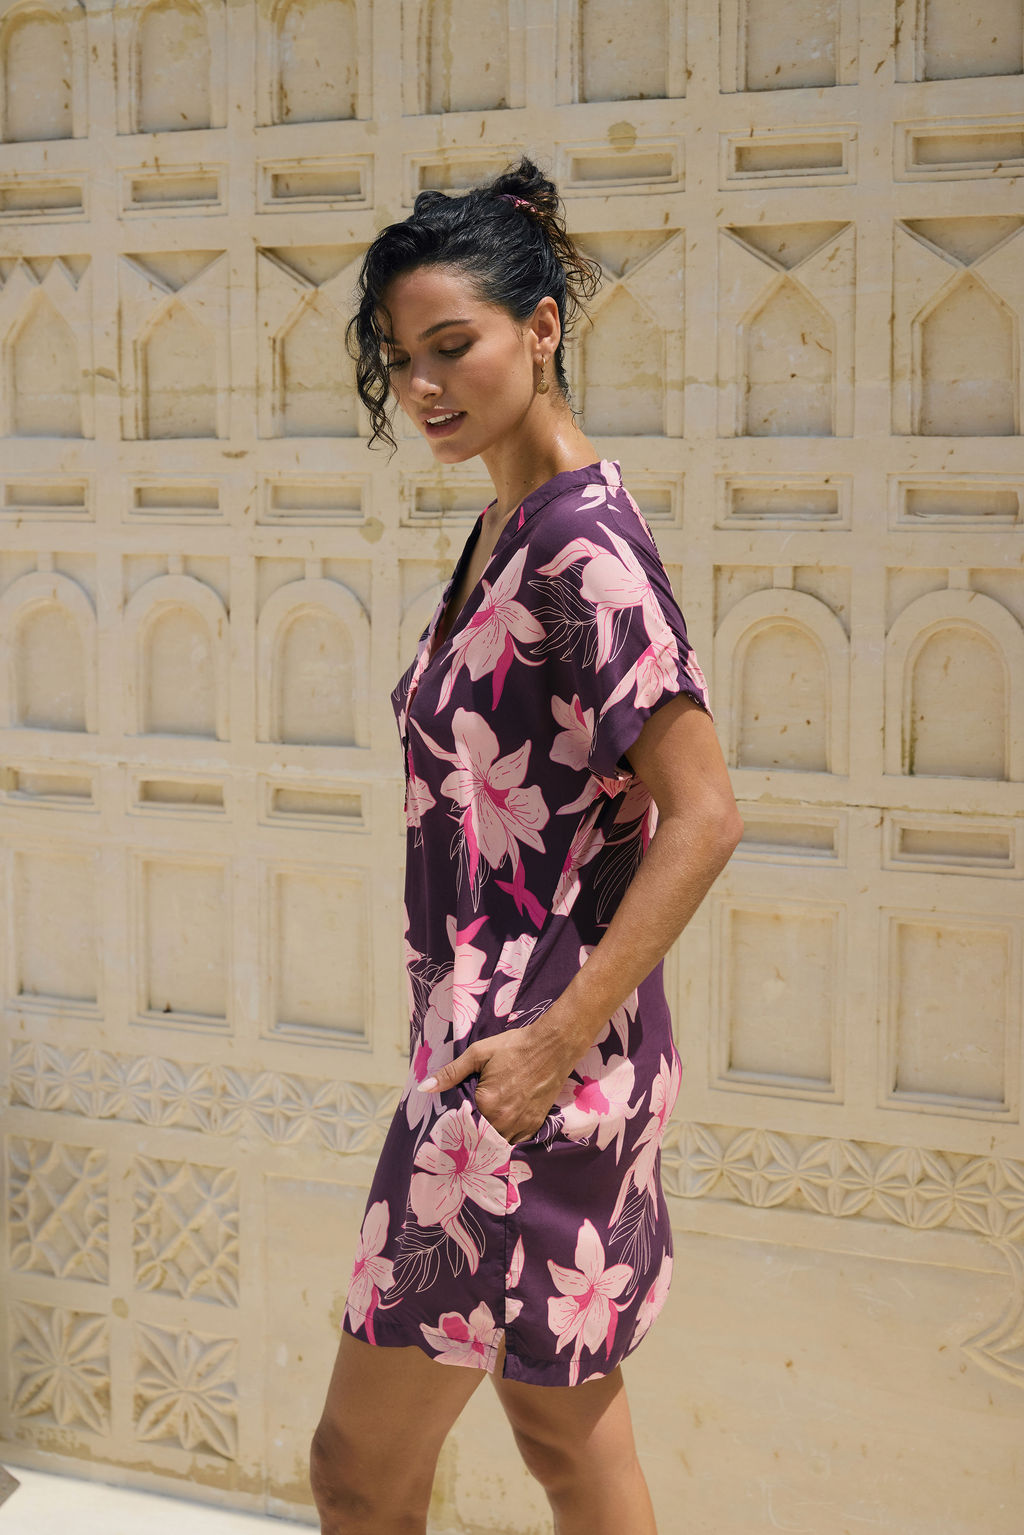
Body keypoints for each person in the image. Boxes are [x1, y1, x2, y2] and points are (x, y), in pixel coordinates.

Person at [309, 157, 743, 1535]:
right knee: (565, 1436)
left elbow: (706, 813)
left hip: (525, 1072)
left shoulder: (580, 551)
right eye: (402, 360)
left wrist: (553, 1041)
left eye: (455, 346)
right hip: (514, 1060)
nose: (424, 387)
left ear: (542, 327)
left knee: (360, 1471)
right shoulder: (508, 526)